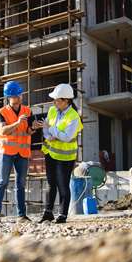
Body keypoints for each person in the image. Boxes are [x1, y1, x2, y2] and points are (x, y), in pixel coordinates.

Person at [0, 80, 39, 223]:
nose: (20, 97)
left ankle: (21, 215)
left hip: (22, 153)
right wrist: (18, 123)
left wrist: (35, 127)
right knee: (3, 181)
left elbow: (29, 131)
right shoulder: (1, 112)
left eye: (20, 94)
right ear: (9, 97)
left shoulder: (28, 110)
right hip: (7, 152)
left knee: (21, 184)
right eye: (17, 95)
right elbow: (3, 130)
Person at [36, 83, 83, 224]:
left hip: (65, 156)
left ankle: (62, 215)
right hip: (50, 152)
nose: (54, 102)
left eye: (57, 100)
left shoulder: (73, 116)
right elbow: (46, 127)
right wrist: (48, 134)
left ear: (66, 100)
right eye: (54, 99)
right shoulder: (52, 110)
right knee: (51, 184)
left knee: (63, 184)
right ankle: (48, 213)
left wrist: (52, 130)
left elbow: (67, 136)